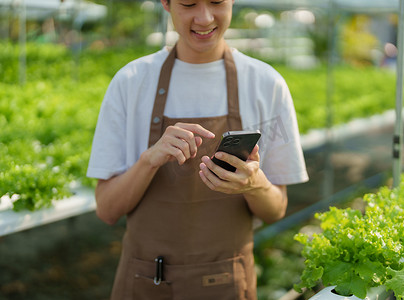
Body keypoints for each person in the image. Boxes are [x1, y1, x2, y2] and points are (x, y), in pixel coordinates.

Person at [87, 0, 308, 299]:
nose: (204, 18)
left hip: (227, 283)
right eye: (189, 4)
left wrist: (255, 184)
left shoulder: (266, 84)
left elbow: (275, 210)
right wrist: (149, 160)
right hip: (145, 281)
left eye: (216, 2)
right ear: (165, 4)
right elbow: (107, 210)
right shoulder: (131, 82)